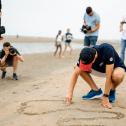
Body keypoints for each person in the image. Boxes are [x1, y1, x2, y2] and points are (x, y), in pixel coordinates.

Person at [66, 43, 126, 109]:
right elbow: (75, 73)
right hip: (99, 69)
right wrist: (69, 93)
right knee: (77, 68)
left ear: (94, 58)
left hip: (113, 68)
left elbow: (108, 77)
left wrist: (105, 96)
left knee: (118, 75)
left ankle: (112, 90)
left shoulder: (107, 49)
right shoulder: (84, 53)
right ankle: (95, 90)